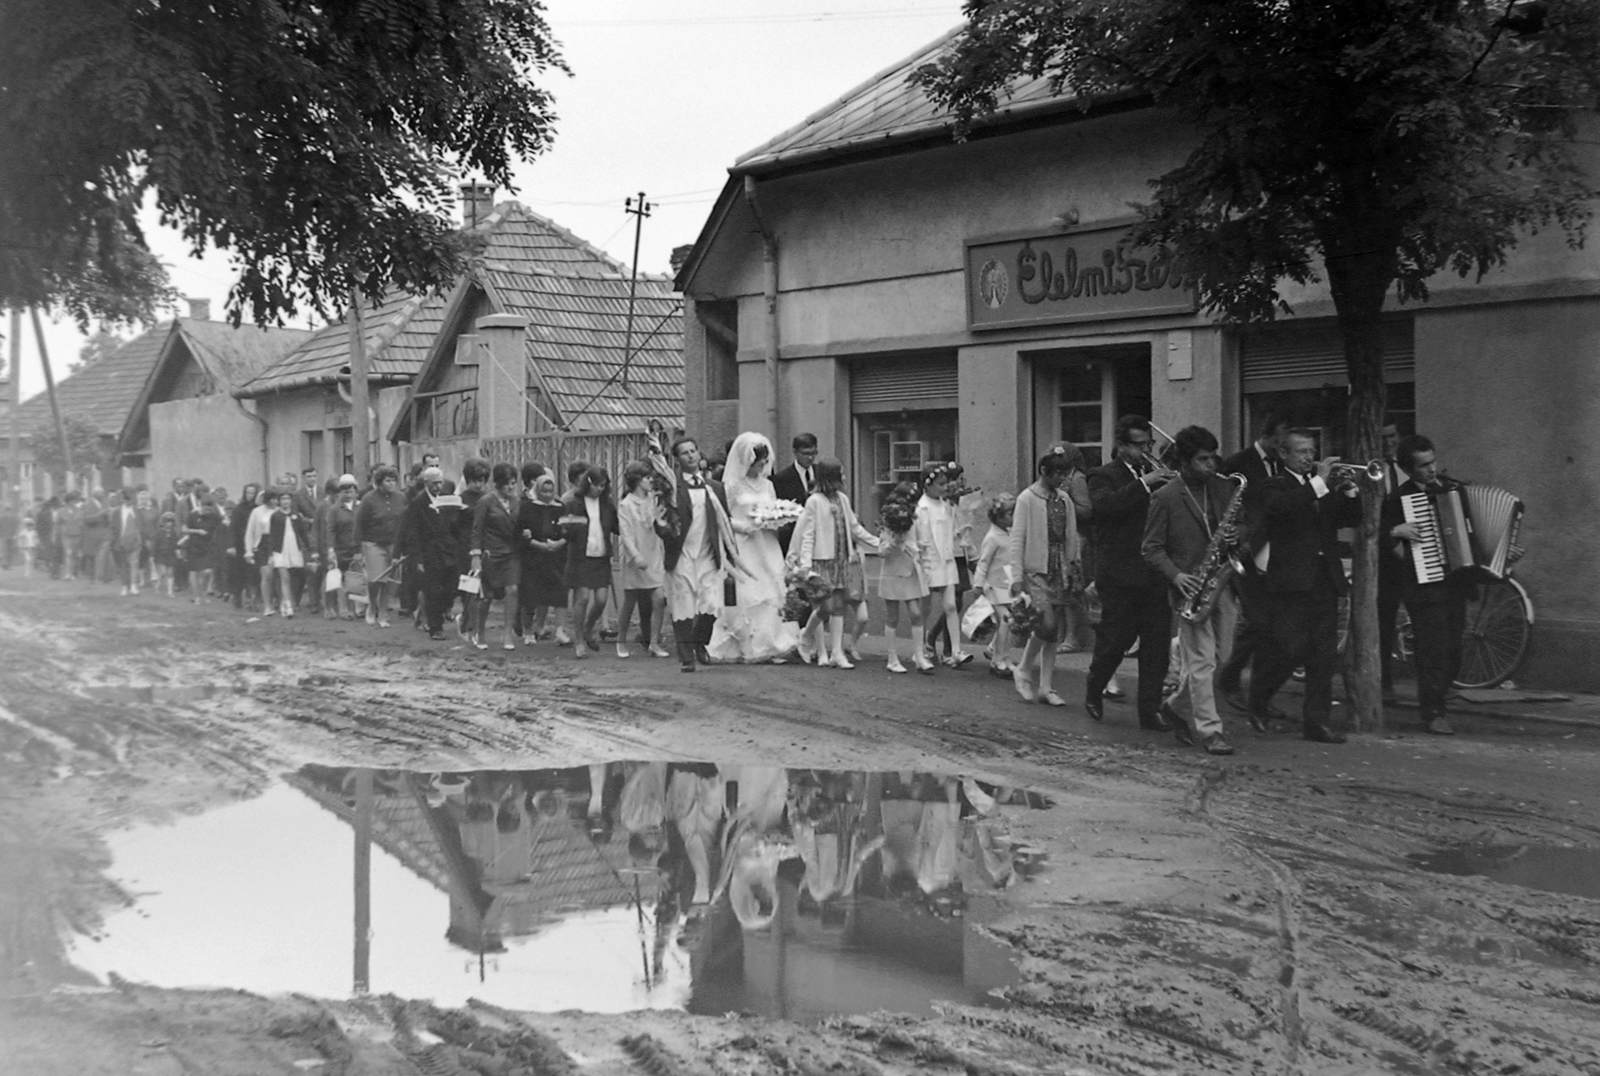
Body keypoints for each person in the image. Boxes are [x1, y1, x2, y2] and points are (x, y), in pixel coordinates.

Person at [1249, 429, 1363, 743]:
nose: (1309, 457)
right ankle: (1258, 697)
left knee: (1323, 655)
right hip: (1290, 581)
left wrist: (1350, 490)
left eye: (1311, 451)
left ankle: (1317, 723)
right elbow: (1281, 508)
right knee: (1288, 649)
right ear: (1283, 455)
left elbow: (1352, 519)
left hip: (1324, 578)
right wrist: (1320, 483)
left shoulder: (1321, 487)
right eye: (1301, 452)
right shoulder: (1274, 485)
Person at [1142, 426, 1246, 755]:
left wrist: (1234, 538)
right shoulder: (1165, 496)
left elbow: (1241, 523)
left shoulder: (1223, 487)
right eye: (1202, 460)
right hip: (1190, 588)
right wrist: (1176, 576)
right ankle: (1211, 730)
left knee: (1224, 657)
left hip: (1221, 581)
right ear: (1185, 462)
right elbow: (1151, 548)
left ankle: (1174, 706)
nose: (1211, 465)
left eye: (1213, 458)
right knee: (1201, 662)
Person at [1083, 415, 1177, 729]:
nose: (1146, 450)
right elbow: (1103, 509)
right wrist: (1144, 484)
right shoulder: (1102, 475)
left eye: (1148, 444)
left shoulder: (1158, 476)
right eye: (1139, 445)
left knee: (1156, 648)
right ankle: (1095, 689)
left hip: (1154, 574)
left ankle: (1149, 711)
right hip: (1120, 575)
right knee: (1115, 643)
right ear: (1122, 446)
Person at [1383, 434, 1479, 736]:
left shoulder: (1452, 491)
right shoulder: (1401, 498)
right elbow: (1380, 539)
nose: (1432, 469)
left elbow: (1472, 534)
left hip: (1454, 583)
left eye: (1433, 461)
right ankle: (1433, 711)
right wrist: (1396, 530)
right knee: (1432, 651)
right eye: (1424, 466)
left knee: (1453, 650)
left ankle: (1439, 698)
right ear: (1410, 470)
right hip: (1423, 586)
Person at [1215, 412, 1290, 715]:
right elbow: (1222, 501)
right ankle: (1231, 680)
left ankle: (1256, 692)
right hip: (1245, 551)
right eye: (1280, 440)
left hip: (1275, 552)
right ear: (1267, 435)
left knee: (1267, 625)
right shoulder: (1238, 462)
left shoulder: (1281, 463)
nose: (1284, 446)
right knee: (1257, 620)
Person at [709, 432, 801, 664]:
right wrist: (743, 527)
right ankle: (747, 644)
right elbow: (722, 517)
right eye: (759, 460)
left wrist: (776, 519)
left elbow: (772, 508)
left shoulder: (768, 485)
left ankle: (772, 643)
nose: (763, 465)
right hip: (743, 545)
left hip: (767, 543)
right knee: (749, 592)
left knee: (773, 589)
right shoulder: (731, 486)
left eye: (764, 461)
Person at [792, 457, 879, 669]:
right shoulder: (814, 501)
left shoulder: (842, 499)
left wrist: (877, 542)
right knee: (825, 606)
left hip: (841, 560)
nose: (844, 477)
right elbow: (809, 534)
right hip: (822, 561)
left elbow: (855, 528)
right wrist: (805, 564)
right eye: (841, 473)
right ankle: (806, 636)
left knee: (838, 607)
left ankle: (837, 653)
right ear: (831, 476)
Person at [1010, 449, 1079, 706]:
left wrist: (1073, 564)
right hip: (1036, 569)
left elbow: (1071, 535)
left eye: (1065, 473)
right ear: (1043, 472)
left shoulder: (1065, 500)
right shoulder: (1026, 499)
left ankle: (1046, 686)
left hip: (1060, 567)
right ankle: (1024, 668)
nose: (1061, 478)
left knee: (1054, 631)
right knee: (1046, 624)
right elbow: (1017, 538)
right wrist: (1016, 576)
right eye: (1057, 473)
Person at [662, 436, 734, 673]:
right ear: (677, 459)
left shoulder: (715, 488)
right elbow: (660, 522)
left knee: (711, 605)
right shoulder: (671, 489)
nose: (691, 456)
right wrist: (665, 528)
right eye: (685, 453)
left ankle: (699, 642)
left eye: (693, 451)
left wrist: (730, 555)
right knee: (683, 606)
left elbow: (725, 524)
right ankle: (686, 657)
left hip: (707, 555)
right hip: (682, 555)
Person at [915, 463, 969, 668]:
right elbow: (920, 535)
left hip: (946, 560)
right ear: (928, 485)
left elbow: (953, 529)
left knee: (951, 605)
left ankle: (955, 651)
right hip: (929, 561)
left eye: (946, 483)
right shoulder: (921, 508)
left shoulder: (947, 506)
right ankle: (920, 650)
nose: (945, 487)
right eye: (941, 484)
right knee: (925, 608)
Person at [397, 467, 461, 640]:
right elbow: (413, 533)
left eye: (440, 483)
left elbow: (454, 525)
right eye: (434, 483)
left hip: (448, 551)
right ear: (426, 484)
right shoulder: (418, 504)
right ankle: (436, 627)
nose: (438, 487)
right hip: (429, 553)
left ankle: (440, 610)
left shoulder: (448, 499)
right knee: (433, 590)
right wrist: (417, 558)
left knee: (451, 587)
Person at [615, 461, 670, 659]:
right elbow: (626, 534)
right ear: (637, 480)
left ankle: (654, 642)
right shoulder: (626, 504)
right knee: (630, 601)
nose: (650, 481)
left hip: (654, 554)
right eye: (647, 478)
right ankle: (621, 640)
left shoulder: (653, 500)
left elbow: (655, 524)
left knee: (658, 598)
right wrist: (636, 556)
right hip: (636, 559)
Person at [561, 465, 617, 658]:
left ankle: (587, 628)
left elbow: (617, 525)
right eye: (597, 486)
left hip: (601, 557)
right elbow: (564, 529)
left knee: (601, 600)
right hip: (580, 557)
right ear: (588, 483)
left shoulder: (607, 503)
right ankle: (578, 640)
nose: (600, 489)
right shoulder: (574, 503)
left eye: (604, 486)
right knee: (582, 598)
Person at [874, 481, 929, 674]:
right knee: (892, 616)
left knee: (915, 613)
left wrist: (921, 549)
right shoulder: (889, 521)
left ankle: (920, 656)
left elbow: (918, 541)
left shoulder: (913, 519)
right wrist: (894, 542)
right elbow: (882, 551)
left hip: (910, 570)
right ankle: (892, 657)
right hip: (892, 572)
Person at [469, 461, 523, 651]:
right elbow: (477, 530)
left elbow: (520, 525)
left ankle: (507, 633)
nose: (511, 487)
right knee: (487, 596)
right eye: (507, 483)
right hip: (490, 554)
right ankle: (480, 631)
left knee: (513, 590)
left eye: (513, 483)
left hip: (512, 554)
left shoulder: (517, 502)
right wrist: (476, 556)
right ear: (498, 483)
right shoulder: (486, 502)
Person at [354, 463, 406, 628]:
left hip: (394, 544)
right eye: (387, 481)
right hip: (373, 543)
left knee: (389, 580)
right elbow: (359, 524)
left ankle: (383, 612)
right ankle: (371, 607)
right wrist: (358, 549)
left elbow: (405, 522)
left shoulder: (401, 497)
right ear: (380, 481)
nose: (391, 484)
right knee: (375, 578)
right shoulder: (368, 499)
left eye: (393, 480)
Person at [519, 472, 569, 644]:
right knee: (531, 594)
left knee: (560, 592)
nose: (548, 495)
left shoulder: (560, 507)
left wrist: (559, 543)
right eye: (544, 491)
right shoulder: (528, 508)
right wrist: (538, 545)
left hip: (555, 558)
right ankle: (528, 631)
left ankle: (561, 630)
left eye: (550, 491)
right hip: (534, 559)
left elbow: (568, 532)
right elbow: (521, 534)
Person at [973, 493, 1017, 678]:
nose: (1013, 518)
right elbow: (983, 563)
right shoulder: (992, 538)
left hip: (1007, 586)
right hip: (994, 586)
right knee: (1006, 620)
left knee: (1011, 622)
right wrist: (978, 584)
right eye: (1009, 514)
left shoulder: (1010, 533)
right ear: (997, 517)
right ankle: (997, 660)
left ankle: (1003, 656)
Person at [453, 458, 491, 639]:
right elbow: (453, 526)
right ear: (467, 480)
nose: (479, 484)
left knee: (483, 589)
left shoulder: (488, 499)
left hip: (486, 548)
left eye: (482, 480)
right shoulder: (460, 500)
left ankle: (471, 623)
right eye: (475, 480)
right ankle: (467, 623)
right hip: (464, 549)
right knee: (469, 588)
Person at [770, 432, 818, 556]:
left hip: (820, 540)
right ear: (795, 453)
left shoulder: (822, 474)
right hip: (793, 540)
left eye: (813, 453)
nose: (810, 458)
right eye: (805, 454)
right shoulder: (781, 479)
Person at [264, 490, 310, 617]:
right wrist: (271, 554)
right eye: (283, 499)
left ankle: (285, 602)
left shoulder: (295, 515)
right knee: (284, 577)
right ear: (279, 501)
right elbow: (272, 536)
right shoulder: (275, 516)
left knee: (294, 576)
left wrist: (310, 549)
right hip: (280, 549)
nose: (285, 501)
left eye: (288, 499)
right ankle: (288, 605)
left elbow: (302, 533)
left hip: (294, 548)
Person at [323, 476, 361, 619]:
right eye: (345, 492)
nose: (349, 495)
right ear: (339, 493)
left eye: (351, 491)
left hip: (356, 549)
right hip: (340, 549)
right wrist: (331, 549)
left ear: (355, 492)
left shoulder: (360, 507)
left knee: (352, 580)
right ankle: (330, 607)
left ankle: (350, 609)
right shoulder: (334, 510)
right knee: (335, 579)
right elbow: (330, 530)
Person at [109, 488, 145, 595]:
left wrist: (141, 537)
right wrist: (112, 540)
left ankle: (133, 585)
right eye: (128, 500)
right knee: (123, 564)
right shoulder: (117, 512)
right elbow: (113, 527)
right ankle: (124, 586)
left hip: (135, 541)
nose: (130, 503)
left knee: (134, 562)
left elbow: (141, 525)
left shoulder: (137, 511)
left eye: (131, 500)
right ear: (123, 500)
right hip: (121, 540)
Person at [55, 492, 85, 580]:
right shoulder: (60, 511)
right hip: (66, 535)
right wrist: (56, 534)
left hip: (77, 535)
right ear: (68, 501)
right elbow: (57, 523)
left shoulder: (80, 511)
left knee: (75, 555)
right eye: (72, 501)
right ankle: (68, 574)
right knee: (68, 553)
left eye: (75, 501)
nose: (74, 503)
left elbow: (82, 523)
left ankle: (74, 573)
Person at [151, 512, 179, 594]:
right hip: (161, 554)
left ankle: (170, 591)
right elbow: (155, 544)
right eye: (167, 521)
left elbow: (176, 543)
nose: (169, 524)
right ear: (163, 522)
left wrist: (178, 552)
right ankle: (158, 584)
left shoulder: (173, 533)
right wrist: (152, 555)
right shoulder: (159, 532)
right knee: (163, 572)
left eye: (171, 521)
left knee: (170, 572)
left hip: (171, 554)